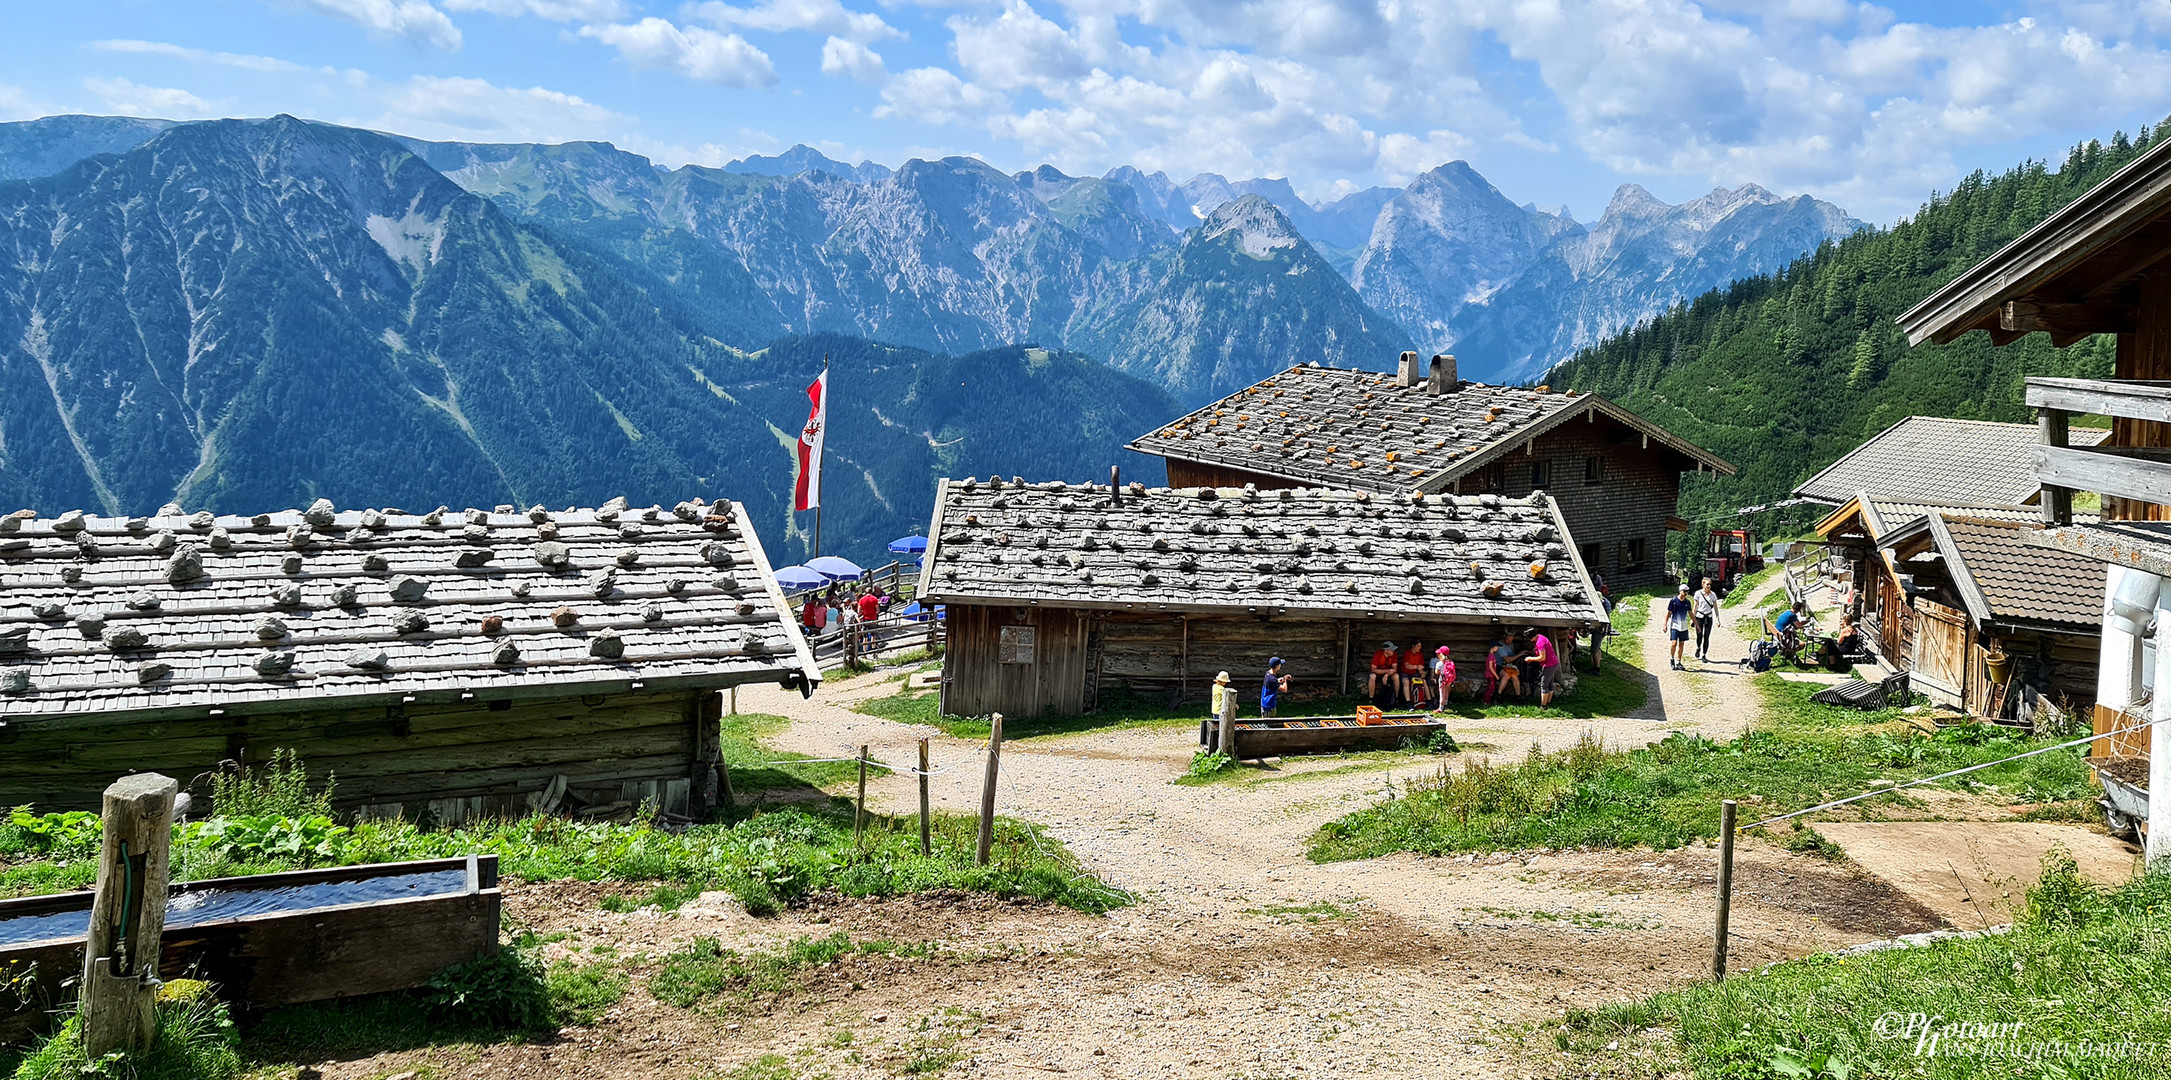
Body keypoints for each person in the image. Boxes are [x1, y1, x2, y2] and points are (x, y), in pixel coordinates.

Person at [1529, 627, 1562, 708]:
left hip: (1550, 665)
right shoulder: (1541, 637)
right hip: (1553, 663)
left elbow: (1542, 657)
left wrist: (1531, 659)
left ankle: (1543, 706)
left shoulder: (1540, 643)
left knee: (1544, 684)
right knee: (1549, 683)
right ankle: (1548, 702)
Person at [1692, 577, 1721, 663]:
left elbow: (1715, 608)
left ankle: (1704, 654)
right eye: (1707, 584)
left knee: (1706, 637)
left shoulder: (1713, 595)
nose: (1709, 586)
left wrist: (1718, 619)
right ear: (1703, 584)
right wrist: (1693, 619)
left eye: (1710, 584)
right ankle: (1698, 647)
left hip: (1708, 617)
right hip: (1699, 616)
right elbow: (1695, 607)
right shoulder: (1698, 593)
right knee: (1699, 635)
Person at [1487, 633, 1523, 702]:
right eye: (1508, 639)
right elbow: (1507, 659)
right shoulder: (1500, 646)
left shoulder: (1511, 644)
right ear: (1504, 637)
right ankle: (1498, 695)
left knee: (1514, 675)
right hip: (1499, 666)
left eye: (1511, 640)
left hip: (1508, 666)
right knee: (1506, 675)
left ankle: (1518, 696)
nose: (1509, 642)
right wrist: (1519, 654)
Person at [1666, 584, 1693, 670]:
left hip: (1684, 626)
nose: (1686, 593)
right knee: (1674, 643)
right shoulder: (1673, 601)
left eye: (1687, 592)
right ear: (1680, 591)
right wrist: (1665, 624)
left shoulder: (1687, 602)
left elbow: (1690, 613)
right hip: (1674, 625)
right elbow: (1668, 613)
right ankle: (1671, 658)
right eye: (1684, 591)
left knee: (1681, 643)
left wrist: (1696, 623)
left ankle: (1679, 661)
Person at [1400, 640, 1427, 707]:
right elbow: (1407, 666)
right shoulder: (1407, 653)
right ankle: (1408, 702)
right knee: (1406, 682)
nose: (1419, 648)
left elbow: (1421, 667)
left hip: (1414, 673)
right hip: (1404, 672)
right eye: (1418, 646)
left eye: (1420, 646)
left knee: (1421, 682)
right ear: (1413, 646)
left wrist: (1422, 673)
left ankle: (1421, 701)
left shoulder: (1420, 654)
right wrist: (1417, 667)